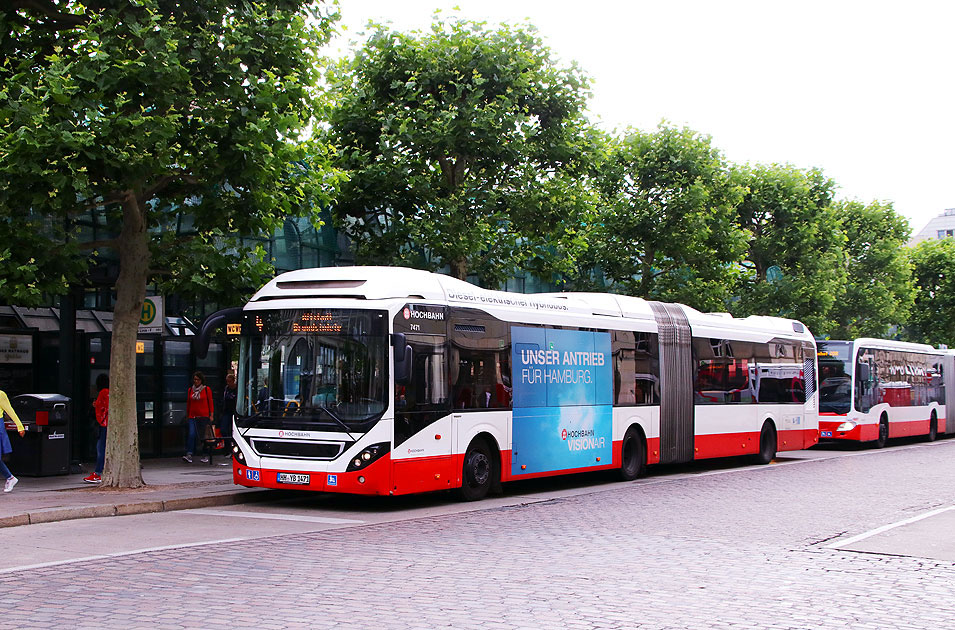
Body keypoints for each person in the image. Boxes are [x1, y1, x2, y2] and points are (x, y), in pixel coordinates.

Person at [184, 371, 214, 464]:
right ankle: (189, 453)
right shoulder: (190, 390)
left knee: (204, 436)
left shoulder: (206, 389)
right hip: (193, 416)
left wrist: (211, 414)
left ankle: (205, 454)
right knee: (192, 434)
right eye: (195, 379)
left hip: (203, 416)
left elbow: (210, 402)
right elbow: (189, 403)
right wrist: (188, 414)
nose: (196, 381)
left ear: (201, 380)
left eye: (197, 379)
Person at [84, 373, 109, 483]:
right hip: (108, 424)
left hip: (104, 424)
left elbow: (102, 407)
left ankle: (98, 473)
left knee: (100, 448)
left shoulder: (103, 392)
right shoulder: (110, 392)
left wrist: (96, 405)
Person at [0, 390, 24, 492]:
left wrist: (19, 426)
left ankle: (10, 477)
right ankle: (10, 477)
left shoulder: (0, 394)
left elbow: (10, 410)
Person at [220, 373, 237, 439]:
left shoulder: (237, 389)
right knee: (223, 429)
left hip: (234, 411)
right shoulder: (226, 389)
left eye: (230, 381)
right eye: (227, 381)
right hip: (227, 411)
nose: (228, 383)